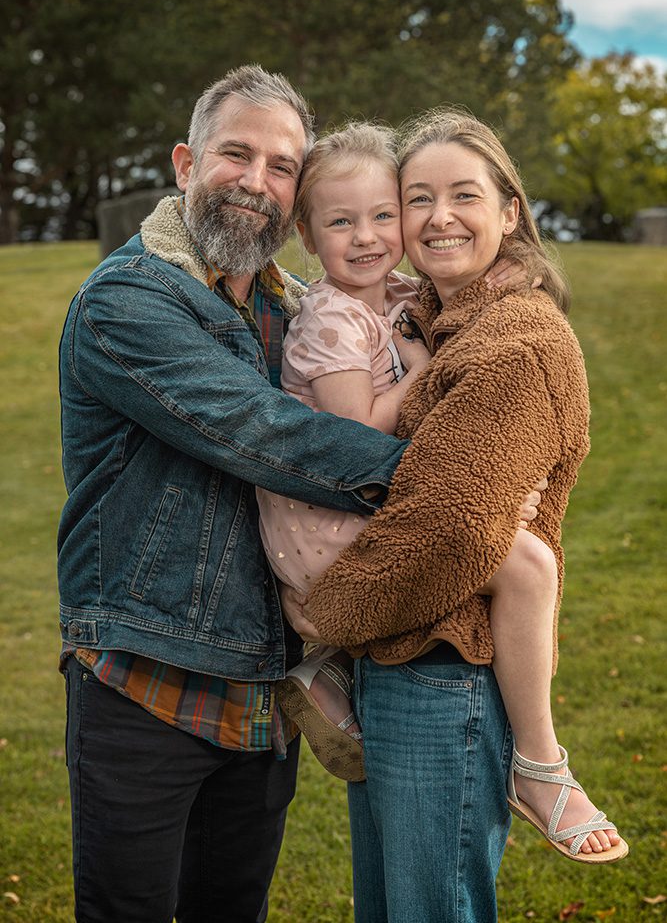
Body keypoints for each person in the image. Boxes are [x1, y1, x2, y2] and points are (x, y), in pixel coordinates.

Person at [57, 65, 415, 923]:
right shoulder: (128, 302)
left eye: (282, 165)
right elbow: (266, 435)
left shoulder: (291, 314)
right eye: (235, 154)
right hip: (146, 686)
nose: (257, 182)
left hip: (262, 697)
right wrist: (456, 479)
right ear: (185, 163)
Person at [283, 109, 627, 923]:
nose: (437, 217)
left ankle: (542, 766)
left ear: (509, 210)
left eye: (463, 196)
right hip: (396, 656)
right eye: (418, 197)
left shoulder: (512, 339)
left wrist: (330, 622)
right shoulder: (427, 316)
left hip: (444, 669)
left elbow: (453, 529)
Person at [256, 121, 540, 782]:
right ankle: (536, 754)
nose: (367, 237)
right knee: (519, 561)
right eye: (341, 223)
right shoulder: (331, 318)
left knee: (506, 548)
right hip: (324, 515)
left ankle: (329, 671)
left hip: (350, 504)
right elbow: (357, 428)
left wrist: (513, 270)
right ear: (306, 236)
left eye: (384, 215)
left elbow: (470, 295)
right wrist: (415, 372)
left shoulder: (393, 294)